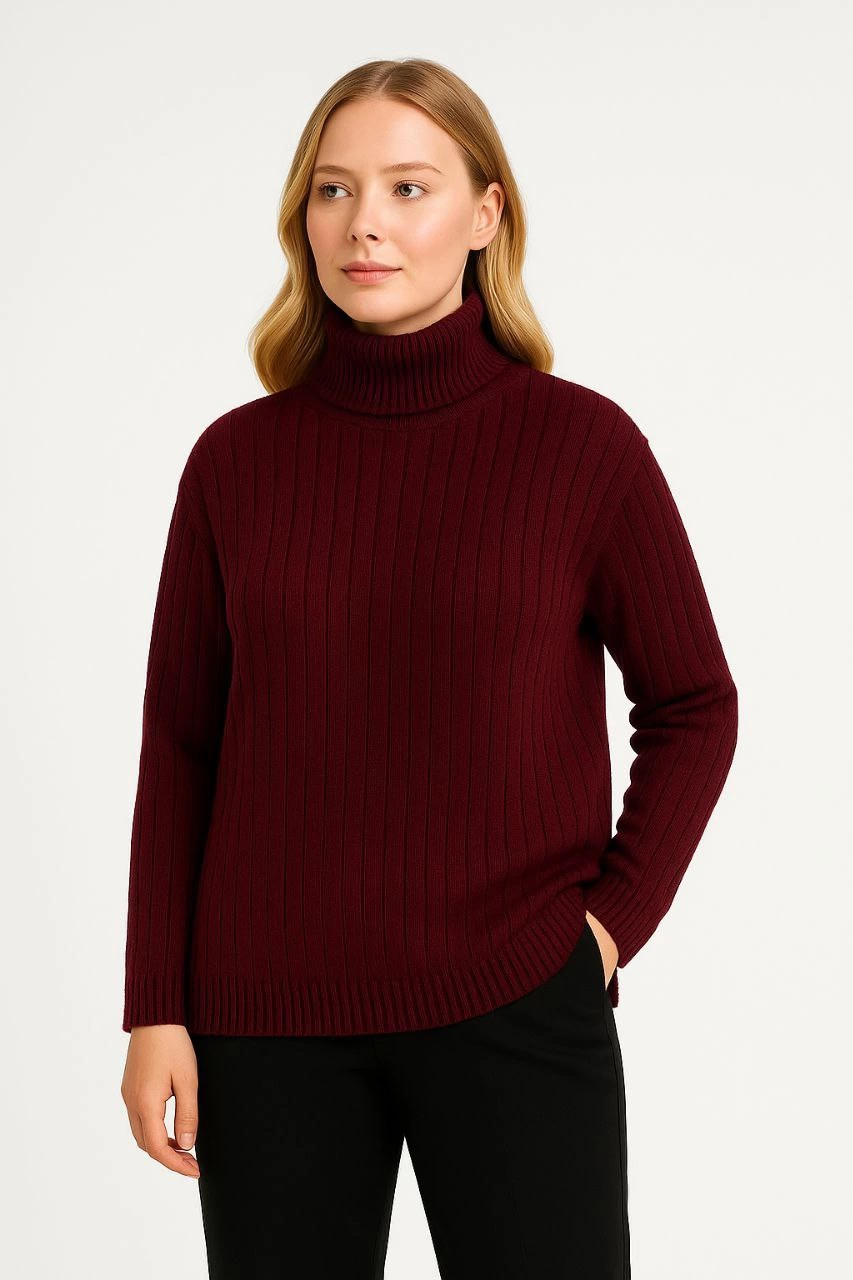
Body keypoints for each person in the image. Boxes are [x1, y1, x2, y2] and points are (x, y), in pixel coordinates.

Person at [120, 57, 738, 1279]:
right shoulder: (235, 463)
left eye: (409, 187)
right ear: (303, 216)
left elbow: (693, 703)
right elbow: (181, 739)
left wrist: (606, 925)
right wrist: (154, 1004)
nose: (366, 223)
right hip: (266, 1018)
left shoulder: (582, 447)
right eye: (334, 189)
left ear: (486, 213)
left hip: (516, 991)